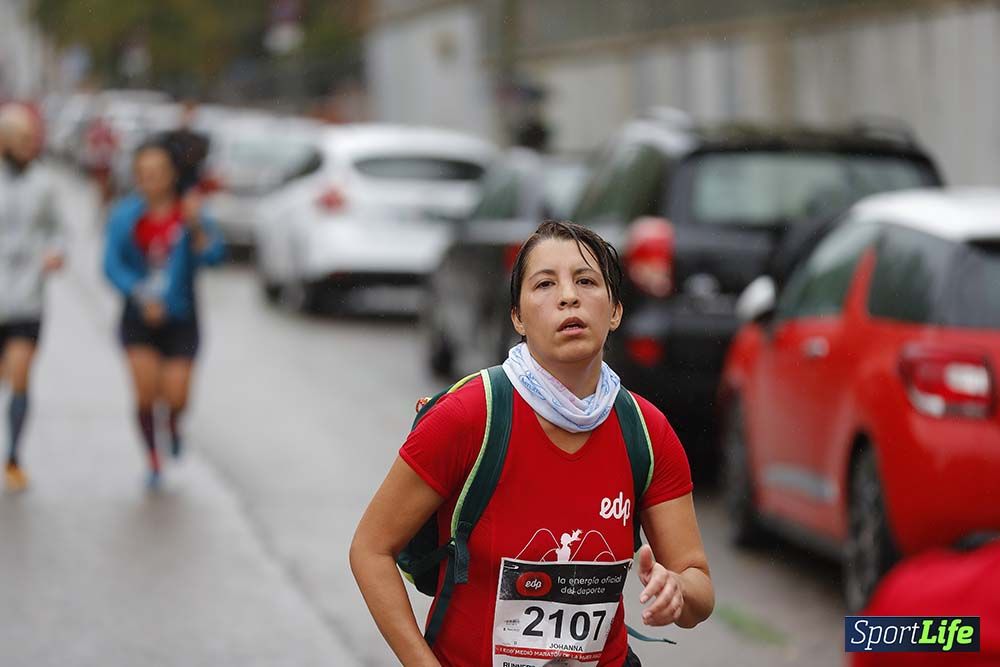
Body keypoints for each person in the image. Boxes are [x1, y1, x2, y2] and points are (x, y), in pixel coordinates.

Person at [351, 221, 714, 666]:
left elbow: (698, 583)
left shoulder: (646, 431)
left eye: (586, 280)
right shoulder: (468, 416)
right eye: (545, 283)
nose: (568, 296)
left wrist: (677, 592)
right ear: (517, 317)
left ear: (615, 310)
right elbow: (371, 549)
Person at [103, 139, 224, 489]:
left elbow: (214, 257)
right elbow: (111, 265)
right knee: (144, 393)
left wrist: (198, 226)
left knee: (176, 396)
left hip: (182, 318)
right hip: (138, 318)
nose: (150, 179)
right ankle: (153, 458)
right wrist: (140, 294)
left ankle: (172, 423)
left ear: (172, 174)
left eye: (157, 172)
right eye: (143, 173)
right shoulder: (125, 214)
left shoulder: (190, 212)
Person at [0, 102, 66, 492]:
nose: (30, 144)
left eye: (32, 138)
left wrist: (55, 253)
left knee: (21, 374)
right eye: (22, 138)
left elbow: (58, 230)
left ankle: (13, 456)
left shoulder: (44, 183)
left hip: (26, 295)